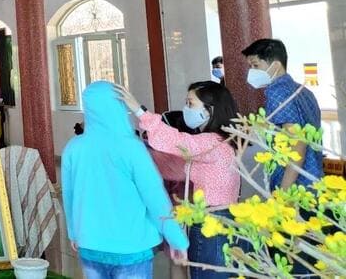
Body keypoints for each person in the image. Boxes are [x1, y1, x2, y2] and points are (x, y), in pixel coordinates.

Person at [62, 81, 188, 279]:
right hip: (132, 248)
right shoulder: (132, 148)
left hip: (89, 244)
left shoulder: (73, 147)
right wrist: (176, 239)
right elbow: (155, 198)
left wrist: (73, 232)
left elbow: (69, 196)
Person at [117, 82, 240, 279]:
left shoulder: (212, 142)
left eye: (190, 103)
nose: (186, 109)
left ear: (209, 110)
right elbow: (178, 168)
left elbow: (178, 142)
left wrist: (139, 111)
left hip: (211, 222)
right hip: (218, 219)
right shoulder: (221, 141)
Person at [242, 38, 324, 189]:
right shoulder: (304, 91)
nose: (251, 71)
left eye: (256, 65)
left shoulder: (277, 92)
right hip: (314, 177)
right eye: (250, 66)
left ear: (276, 65)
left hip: (294, 183)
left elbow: (297, 144)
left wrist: (284, 192)